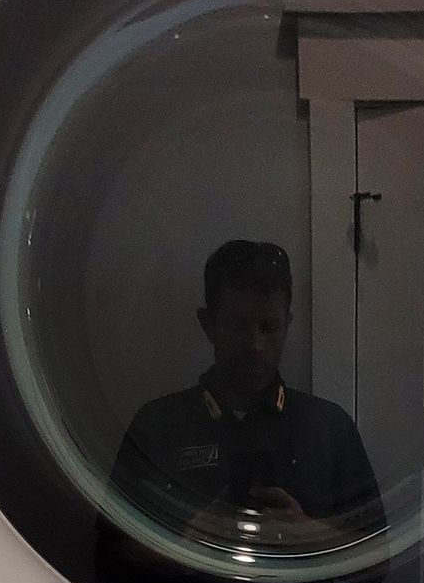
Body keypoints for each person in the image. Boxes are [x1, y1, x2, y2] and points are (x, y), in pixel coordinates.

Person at [106, 240, 384, 565]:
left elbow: (378, 561)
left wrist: (307, 534)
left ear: (287, 324)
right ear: (208, 324)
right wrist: (185, 541)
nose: (255, 345)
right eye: (238, 326)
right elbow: (107, 557)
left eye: (269, 327)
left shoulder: (329, 428)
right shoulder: (157, 425)